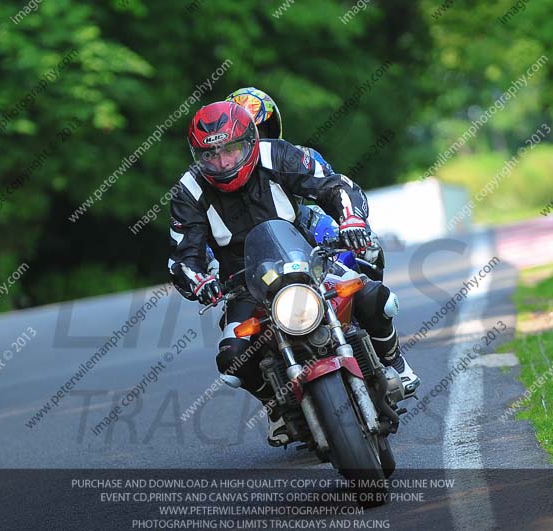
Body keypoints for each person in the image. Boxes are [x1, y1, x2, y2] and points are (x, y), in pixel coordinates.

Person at [167, 101, 419, 446]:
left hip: (308, 264)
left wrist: (352, 220)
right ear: (197, 155)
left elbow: (334, 185)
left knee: (374, 296)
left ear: (250, 141)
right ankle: (277, 407)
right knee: (231, 357)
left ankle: (395, 364)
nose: (223, 163)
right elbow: (184, 255)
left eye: (232, 149)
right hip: (244, 287)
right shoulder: (188, 191)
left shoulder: (280, 156)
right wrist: (201, 281)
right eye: (211, 155)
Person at [225, 87, 385, 278]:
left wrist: (353, 225)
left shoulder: (297, 155)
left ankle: (370, 301)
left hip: (301, 234)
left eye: (257, 130)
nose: (252, 140)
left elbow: (332, 189)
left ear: (271, 129)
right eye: (242, 134)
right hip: (247, 256)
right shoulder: (212, 177)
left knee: (369, 250)